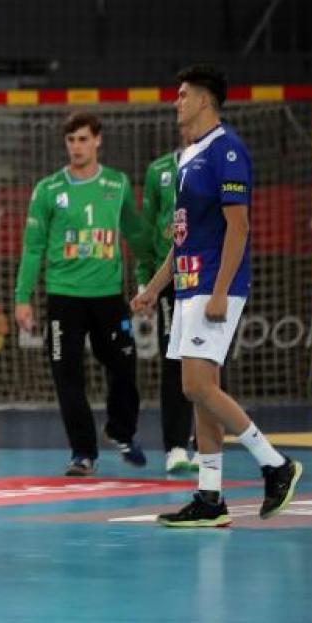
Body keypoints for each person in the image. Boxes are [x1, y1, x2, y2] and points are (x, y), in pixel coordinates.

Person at [131, 64, 302, 527]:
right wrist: (154, 289)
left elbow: (239, 226)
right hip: (188, 284)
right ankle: (210, 498)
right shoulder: (189, 156)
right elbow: (182, 238)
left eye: (183, 94)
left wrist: (221, 291)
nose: (176, 102)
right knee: (202, 393)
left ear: (205, 100)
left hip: (213, 284)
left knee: (196, 386)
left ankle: (276, 465)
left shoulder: (227, 150)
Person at [14, 111, 150, 476]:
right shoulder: (48, 190)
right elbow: (33, 247)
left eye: (83, 139)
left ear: (97, 141)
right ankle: (83, 452)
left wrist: (150, 281)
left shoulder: (117, 184)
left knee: (124, 366)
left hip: (108, 296)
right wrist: (22, 298)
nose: (77, 147)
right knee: (67, 376)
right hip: (64, 297)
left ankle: (120, 430)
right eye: (71, 140)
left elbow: (136, 234)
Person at [139, 138, 198, 475]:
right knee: (173, 359)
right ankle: (176, 447)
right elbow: (148, 231)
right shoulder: (159, 171)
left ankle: (206, 445)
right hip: (171, 281)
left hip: (207, 278)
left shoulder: (221, 163)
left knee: (210, 363)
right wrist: (145, 283)